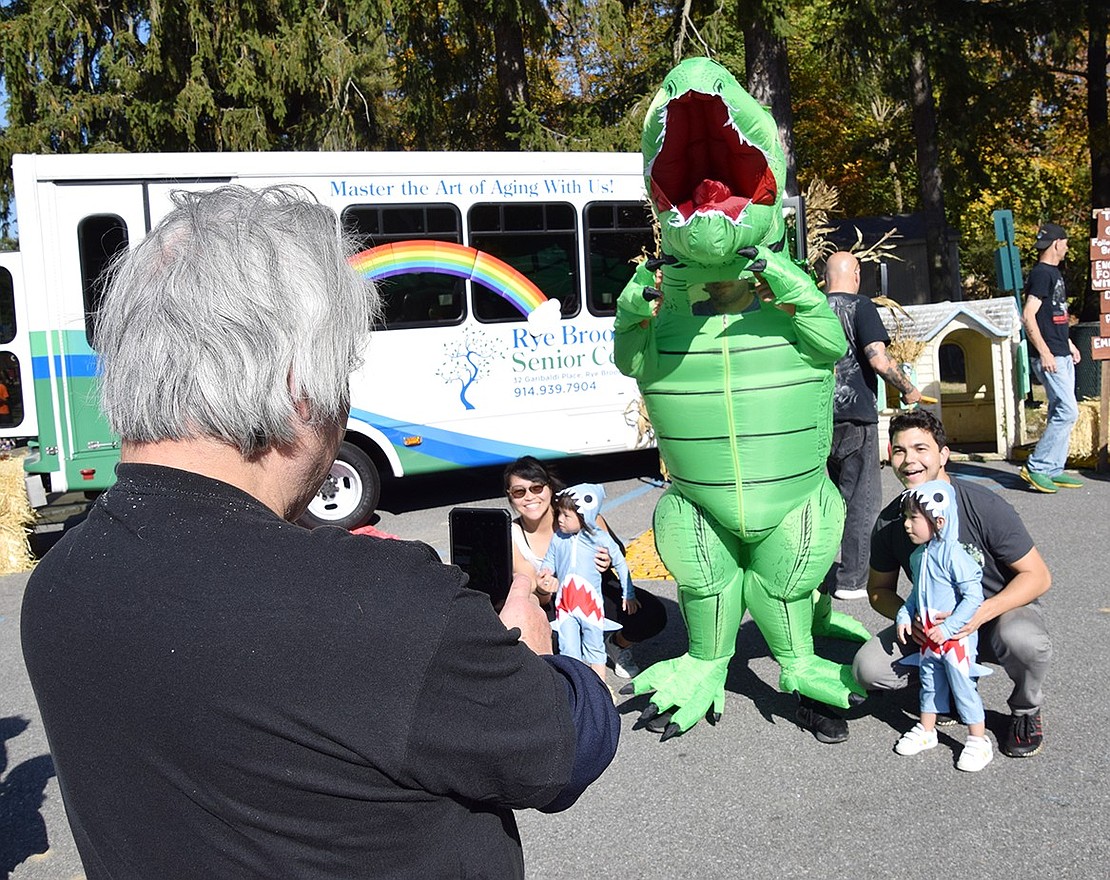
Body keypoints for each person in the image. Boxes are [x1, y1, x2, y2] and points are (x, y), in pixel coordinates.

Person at [20, 185, 619, 880]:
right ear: (300, 383)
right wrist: (548, 656)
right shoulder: (385, 606)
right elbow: (567, 745)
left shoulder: (58, 585)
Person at [853, 409, 1052, 759]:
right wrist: (907, 617)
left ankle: (1025, 711)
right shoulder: (891, 521)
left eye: (920, 449)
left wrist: (978, 615)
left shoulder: (982, 505)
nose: (909, 460)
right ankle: (944, 692)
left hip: (997, 616)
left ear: (943, 455)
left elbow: (1037, 576)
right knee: (867, 668)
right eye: (899, 451)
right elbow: (877, 590)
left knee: (1025, 641)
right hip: (933, 626)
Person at [504, 455, 667, 679]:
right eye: (519, 491)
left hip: (591, 592)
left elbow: (615, 551)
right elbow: (536, 596)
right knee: (552, 649)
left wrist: (606, 561)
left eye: (537, 487)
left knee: (651, 614)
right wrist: (543, 587)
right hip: (554, 603)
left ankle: (617, 644)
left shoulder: (579, 511)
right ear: (510, 497)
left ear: (549, 488)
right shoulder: (513, 536)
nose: (530, 497)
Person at [822, 250, 921, 600]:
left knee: (820, 503)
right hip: (856, 417)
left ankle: (813, 578)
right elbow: (877, 358)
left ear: (825, 277)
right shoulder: (860, 306)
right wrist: (908, 388)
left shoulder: (810, 307)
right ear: (857, 275)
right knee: (860, 503)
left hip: (815, 421)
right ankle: (851, 580)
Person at [892, 481, 993, 772]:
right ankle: (927, 730)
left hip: (955, 641)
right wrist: (903, 615)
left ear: (939, 520)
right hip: (928, 640)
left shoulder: (954, 555)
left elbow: (974, 596)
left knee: (963, 686)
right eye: (906, 518)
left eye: (914, 518)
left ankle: (978, 739)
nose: (907, 525)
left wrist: (949, 629)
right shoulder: (919, 556)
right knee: (929, 684)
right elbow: (915, 595)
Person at [539, 484, 638, 681]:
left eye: (567, 516)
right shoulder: (558, 537)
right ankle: (575, 686)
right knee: (568, 648)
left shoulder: (599, 538)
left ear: (585, 515)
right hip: (564, 606)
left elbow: (620, 562)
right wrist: (546, 571)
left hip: (590, 605)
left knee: (594, 646)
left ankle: (599, 687)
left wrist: (628, 593)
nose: (560, 519)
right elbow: (549, 559)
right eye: (560, 514)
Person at [1020, 222, 1083, 493]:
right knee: (1068, 410)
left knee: (1062, 409)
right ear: (1057, 244)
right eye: (1066, 243)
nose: (1067, 248)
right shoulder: (1042, 274)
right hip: (1049, 355)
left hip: (1060, 351)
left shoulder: (1054, 274)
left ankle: (1054, 469)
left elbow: (1052, 316)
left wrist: (1068, 343)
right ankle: (1036, 466)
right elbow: (1028, 315)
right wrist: (1045, 352)